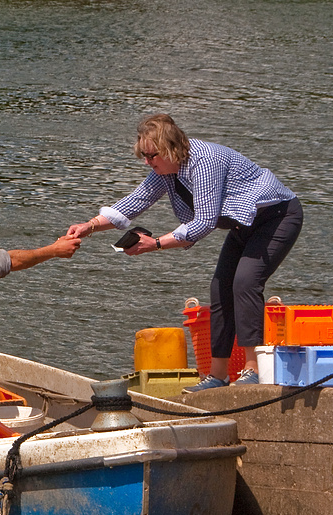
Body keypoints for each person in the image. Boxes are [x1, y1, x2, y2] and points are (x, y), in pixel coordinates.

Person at [67, 114, 303, 391]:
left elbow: (203, 222)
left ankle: (253, 369)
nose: (147, 162)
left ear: (169, 149)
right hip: (243, 224)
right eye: (143, 155)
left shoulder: (205, 161)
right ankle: (218, 375)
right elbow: (136, 201)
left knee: (245, 283)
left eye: (151, 155)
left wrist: (155, 244)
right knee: (220, 289)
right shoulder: (166, 171)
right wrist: (90, 225)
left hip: (277, 217)